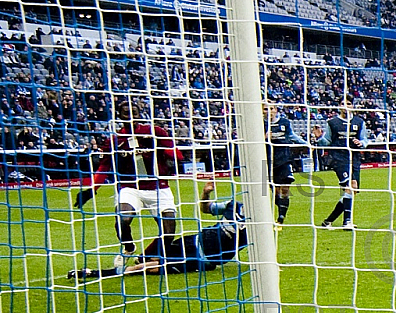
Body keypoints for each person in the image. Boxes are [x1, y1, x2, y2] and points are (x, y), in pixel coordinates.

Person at [74, 98, 182, 267]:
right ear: (120, 116)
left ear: (140, 115)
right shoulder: (115, 141)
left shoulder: (155, 132)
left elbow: (176, 154)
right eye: (126, 113)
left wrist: (163, 150)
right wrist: (92, 190)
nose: (131, 116)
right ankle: (128, 248)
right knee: (122, 219)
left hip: (158, 187)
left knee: (169, 231)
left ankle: (145, 257)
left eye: (135, 113)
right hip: (130, 188)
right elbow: (104, 166)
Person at [68, 181, 247, 279]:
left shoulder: (257, 227)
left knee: (149, 268)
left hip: (202, 258)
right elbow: (206, 209)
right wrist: (206, 193)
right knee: (149, 259)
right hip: (193, 240)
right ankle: (129, 254)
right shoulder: (234, 206)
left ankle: (92, 273)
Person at [311, 95, 368, 230]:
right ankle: (347, 222)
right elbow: (328, 141)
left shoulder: (359, 122)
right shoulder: (333, 123)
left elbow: (365, 139)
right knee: (350, 186)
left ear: (352, 106)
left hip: (354, 158)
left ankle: (328, 221)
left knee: (352, 190)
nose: (345, 106)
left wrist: (361, 143)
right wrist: (319, 137)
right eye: (343, 103)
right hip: (339, 158)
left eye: (348, 103)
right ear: (339, 106)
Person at [265, 102, 306, 229]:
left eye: (271, 108)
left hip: (284, 159)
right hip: (267, 161)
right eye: (266, 109)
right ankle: (274, 213)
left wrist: (306, 143)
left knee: (285, 189)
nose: (269, 111)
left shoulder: (284, 122)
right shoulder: (258, 124)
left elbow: (291, 135)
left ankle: (280, 219)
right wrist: (265, 137)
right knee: (273, 192)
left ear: (276, 110)